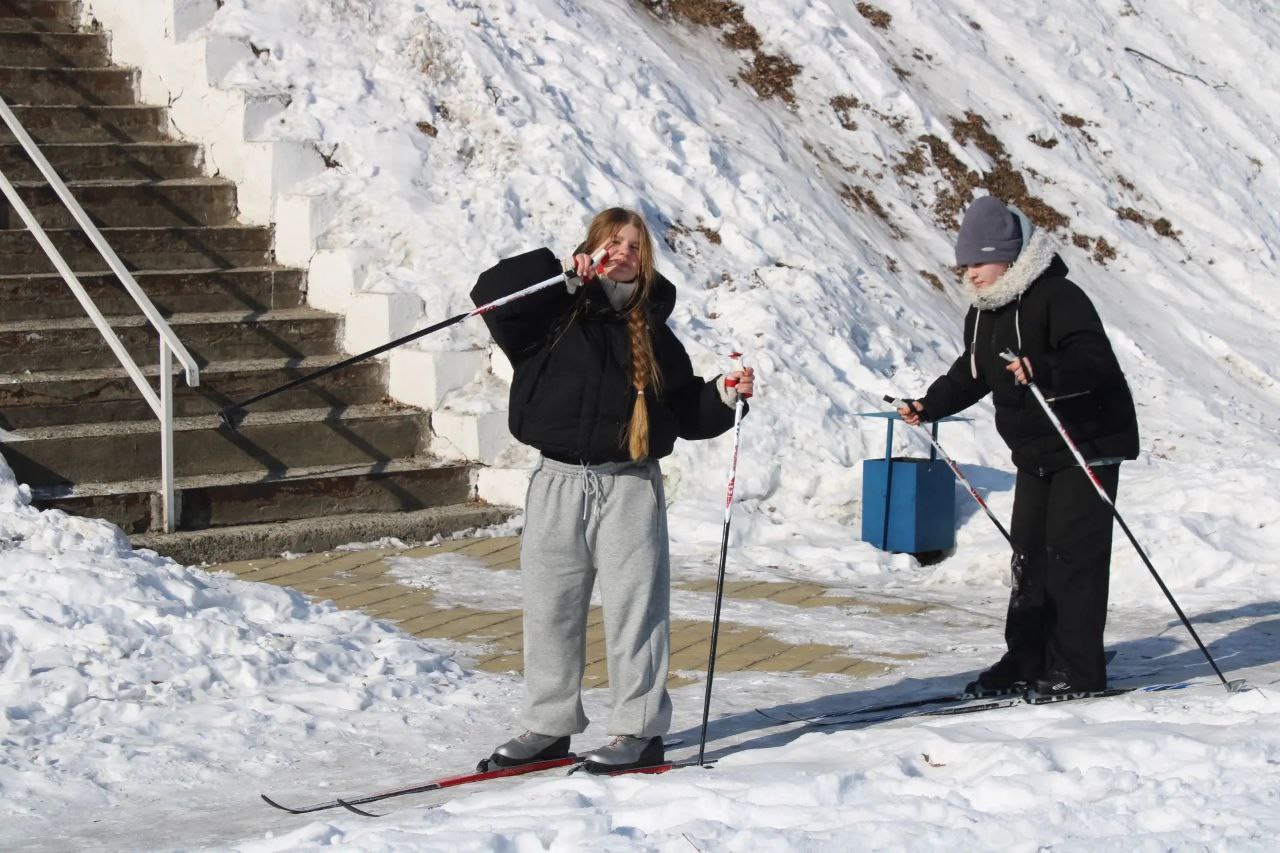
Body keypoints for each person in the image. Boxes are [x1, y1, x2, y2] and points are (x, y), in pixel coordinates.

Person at [471, 207, 755, 772]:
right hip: (557, 483)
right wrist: (557, 273)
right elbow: (490, 293)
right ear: (592, 249)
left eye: (634, 245)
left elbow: (684, 413)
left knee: (635, 612)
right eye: (613, 242)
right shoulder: (548, 315)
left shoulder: (655, 336)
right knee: (550, 609)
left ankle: (639, 731)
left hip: (628, 488)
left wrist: (723, 396)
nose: (624, 252)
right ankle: (548, 726)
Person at [898, 195, 1138, 698]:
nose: (970, 273)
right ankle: (1027, 658)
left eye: (978, 262)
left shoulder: (1058, 297)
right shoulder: (984, 312)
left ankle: (1077, 669)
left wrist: (1041, 367)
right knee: (1028, 557)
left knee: (1071, 556)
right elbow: (971, 373)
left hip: (1084, 443)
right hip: (1035, 451)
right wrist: (928, 405)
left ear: (1008, 257)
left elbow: (1094, 360)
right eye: (964, 264)